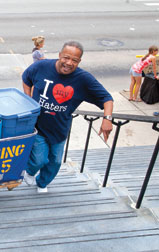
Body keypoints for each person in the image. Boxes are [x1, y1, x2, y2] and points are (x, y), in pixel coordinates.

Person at [22, 41, 114, 193]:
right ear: (59, 55)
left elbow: (107, 98)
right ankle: (30, 172)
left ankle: (42, 183)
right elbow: (26, 78)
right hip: (38, 127)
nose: (69, 63)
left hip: (60, 130)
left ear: (79, 61)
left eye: (75, 60)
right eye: (66, 57)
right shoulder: (41, 66)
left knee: (55, 162)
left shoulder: (83, 79)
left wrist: (107, 119)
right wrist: (29, 101)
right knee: (39, 159)